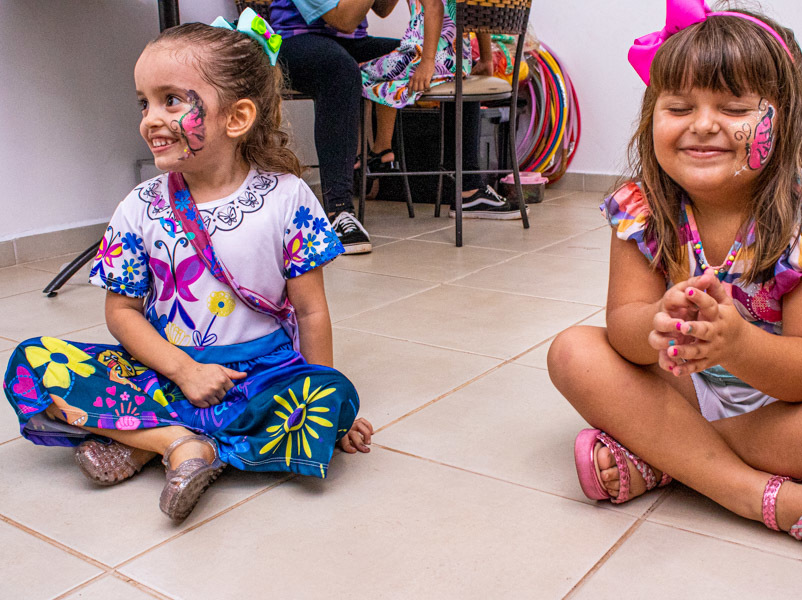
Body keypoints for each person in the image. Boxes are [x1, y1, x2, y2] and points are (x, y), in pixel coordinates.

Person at [547, 0, 802, 557]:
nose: (703, 124)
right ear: (651, 117)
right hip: (689, 386)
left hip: (796, 402)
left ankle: (672, 457)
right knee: (572, 351)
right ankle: (760, 494)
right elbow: (622, 328)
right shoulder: (642, 208)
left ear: (783, 118)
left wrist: (736, 343)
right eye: (679, 106)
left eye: (734, 107)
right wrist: (654, 325)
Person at [2, 10, 373, 522]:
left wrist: (324, 407)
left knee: (331, 396)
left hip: (259, 373)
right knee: (32, 362)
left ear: (237, 118)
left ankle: (145, 440)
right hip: (163, 369)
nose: (149, 118)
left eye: (170, 100)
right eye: (144, 102)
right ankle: (179, 443)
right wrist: (184, 370)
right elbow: (122, 314)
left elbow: (311, 315)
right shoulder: (140, 205)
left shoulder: (288, 199)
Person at [358, 0, 523, 219]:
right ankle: (382, 150)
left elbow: (434, 5)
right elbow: (478, 12)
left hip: (429, 57)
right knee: (381, 66)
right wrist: (485, 59)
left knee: (355, 73)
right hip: (458, 57)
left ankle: (370, 155)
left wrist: (426, 62)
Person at [270, 0, 405, 254]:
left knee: (412, 55)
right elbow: (343, 19)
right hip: (294, 41)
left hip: (348, 42)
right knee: (340, 69)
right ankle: (339, 209)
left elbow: (383, 10)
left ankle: (470, 188)